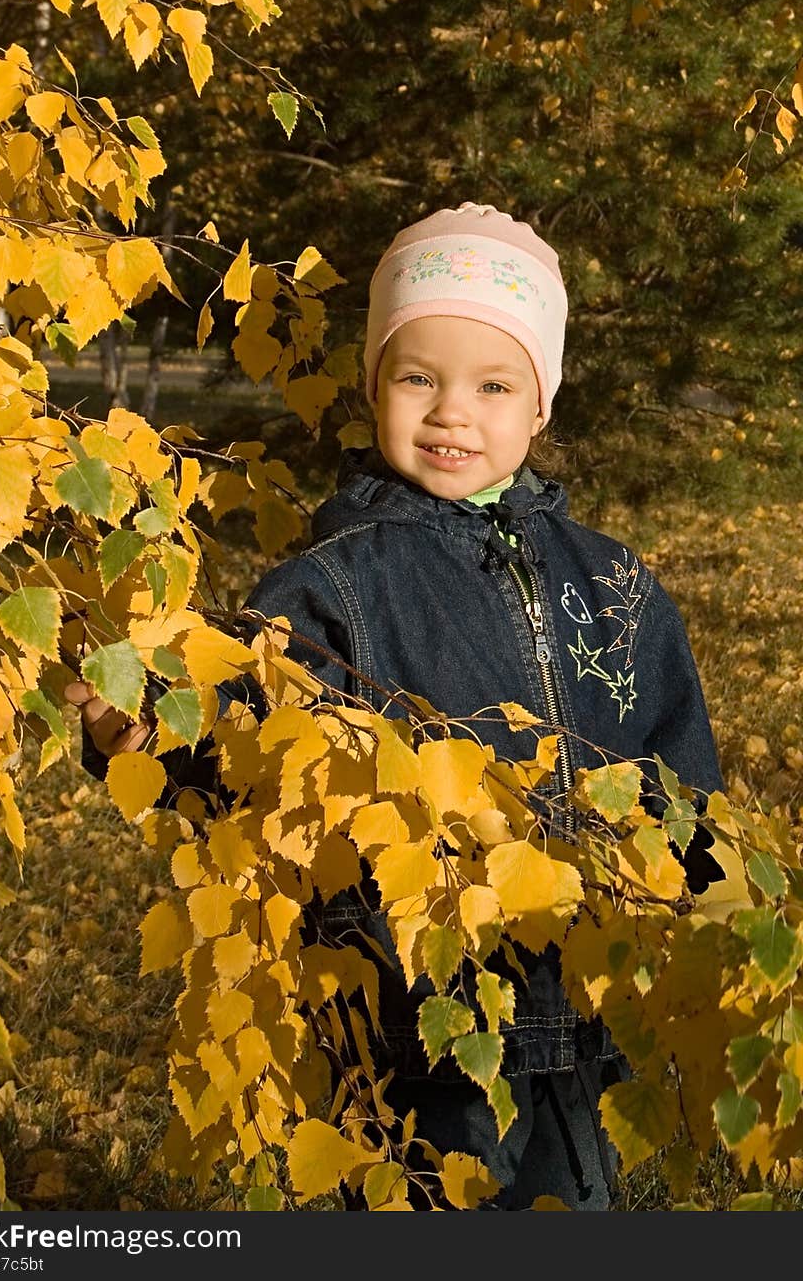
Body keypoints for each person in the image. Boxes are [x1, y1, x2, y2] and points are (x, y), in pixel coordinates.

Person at [66, 201, 724, 1210]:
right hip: (409, 1015)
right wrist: (146, 729)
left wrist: (700, 893)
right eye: (417, 377)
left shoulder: (613, 583)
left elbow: (676, 763)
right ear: (373, 382)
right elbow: (254, 742)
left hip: (588, 1000)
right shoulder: (335, 584)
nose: (451, 412)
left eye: (492, 385)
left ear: (540, 405)